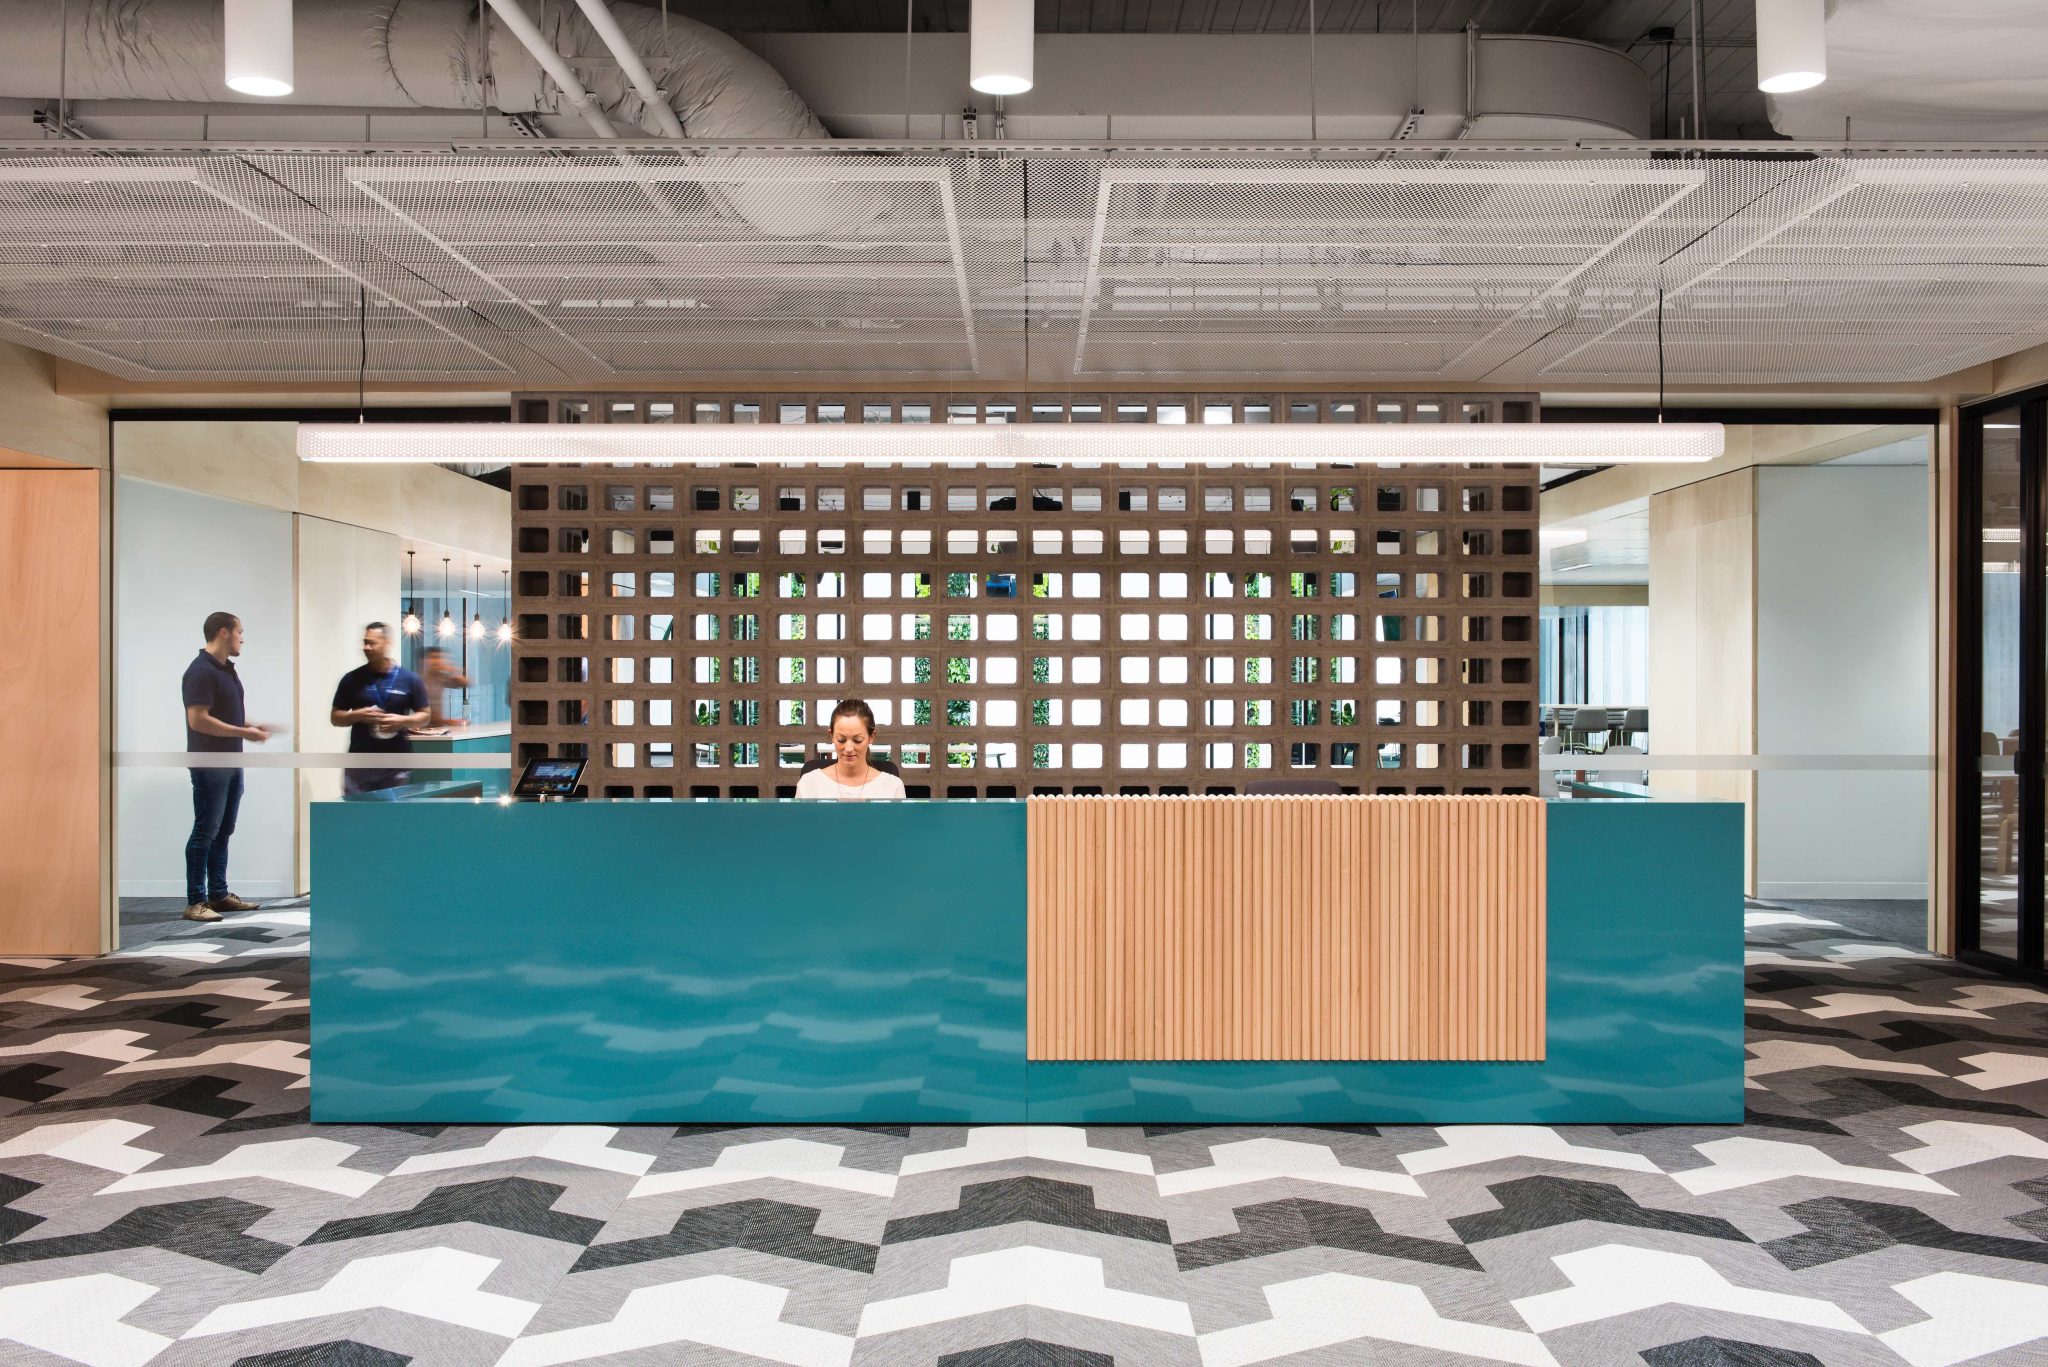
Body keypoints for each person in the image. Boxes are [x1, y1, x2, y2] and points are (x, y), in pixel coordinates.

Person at [182, 612, 271, 923]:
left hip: (231, 761)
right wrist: (244, 732)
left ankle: (218, 894)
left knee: (223, 830)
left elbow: (226, 715)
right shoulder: (200, 671)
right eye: (239, 632)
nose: (242, 638)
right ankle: (196, 901)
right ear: (224, 632)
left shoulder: (227, 671)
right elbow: (198, 720)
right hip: (210, 763)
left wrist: (249, 726)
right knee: (205, 830)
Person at [330, 622, 430, 796]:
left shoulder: (410, 679)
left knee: (392, 812)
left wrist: (403, 721)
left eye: (372, 643)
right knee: (356, 811)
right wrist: (357, 715)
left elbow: (425, 716)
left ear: (387, 643)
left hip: (396, 764)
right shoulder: (352, 679)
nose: (366, 648)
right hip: (360, 764)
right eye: (365, 642)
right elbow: (335, 717)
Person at [796, 699, 908, 801]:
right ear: (831, 736)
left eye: (858, 740)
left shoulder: (892, 786)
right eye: (841, 740)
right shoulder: (809, 784)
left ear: (871, 737)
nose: (849, 748)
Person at [419, 646, 470, 728]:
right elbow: (423, 711)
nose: (437, 661)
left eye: (439, 658)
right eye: (433, 657)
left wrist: (451, 669)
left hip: (437, 727)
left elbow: (465, 682)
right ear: (425, 660)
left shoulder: (439, 677)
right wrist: (446, 721)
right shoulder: (419, 680)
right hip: (423, 728)